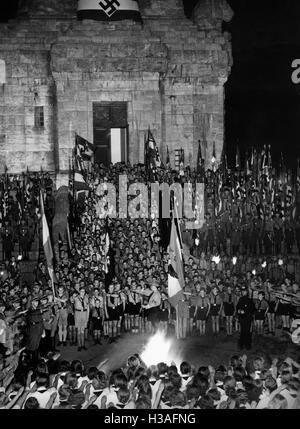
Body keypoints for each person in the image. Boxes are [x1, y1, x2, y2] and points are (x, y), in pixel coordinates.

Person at [236, 286, 255, 350]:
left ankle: (247, 344)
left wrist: (244, 311)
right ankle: (241, 344)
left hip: (248, 318)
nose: (243, 292)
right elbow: (238, 307)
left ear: (247, 292)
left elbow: (252, 309)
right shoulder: (240, 299)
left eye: (244, 291)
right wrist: (238, 311)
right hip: (242, 318)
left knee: (247, 331)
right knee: (242, 331)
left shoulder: (250, 300)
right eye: (242, 291)